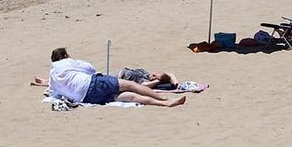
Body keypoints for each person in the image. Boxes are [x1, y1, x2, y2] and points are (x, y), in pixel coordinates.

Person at [34, 48, 186, 107]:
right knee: (130, 85)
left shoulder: (52, 74)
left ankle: (166, 104)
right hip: (92, 84)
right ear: (65, 55)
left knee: (130, 97)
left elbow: (53, 92)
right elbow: (90, 69)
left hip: (85, 98)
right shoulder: (67, 62)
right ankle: (163, 98)